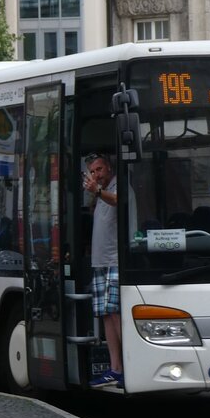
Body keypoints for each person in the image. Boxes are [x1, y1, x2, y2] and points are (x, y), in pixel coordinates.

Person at [83, 152, 122, 389]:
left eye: (99, 169)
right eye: (93, 171)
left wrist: (96, 191)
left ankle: (127, 366)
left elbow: (118, 200)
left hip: (115, 262)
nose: (96, 174)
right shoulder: (99, 194)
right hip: (100, 263)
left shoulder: (117, 186)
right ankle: (115, 368)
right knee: (107, 316)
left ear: (109, 168)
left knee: (116, 314)